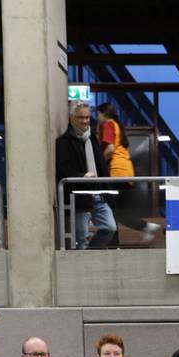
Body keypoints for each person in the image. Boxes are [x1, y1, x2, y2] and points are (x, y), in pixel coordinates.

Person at [95, 102, 160, 243]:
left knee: (114, 212)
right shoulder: (118, 126)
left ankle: (142, 228)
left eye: (98, 113)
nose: (97, 117)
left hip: (116, 172)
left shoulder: (108, 124)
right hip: (125, 172)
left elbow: (110, 149)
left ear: (104, 114)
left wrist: (98, 165)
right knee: (117, 212)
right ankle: (143, 228)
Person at [55, 101, 116, 249]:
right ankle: (84, 267)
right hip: (79, 196)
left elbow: (101, 166)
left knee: (109, 228)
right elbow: (63, 167)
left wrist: (107, 188)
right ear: (71, 118)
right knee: (81, 239)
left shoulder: (92, 139)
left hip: (97, 193)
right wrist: (82, 176)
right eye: (81, 117)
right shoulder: (64, 142)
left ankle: (90, 255)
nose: (85, 121)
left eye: (88, 117)